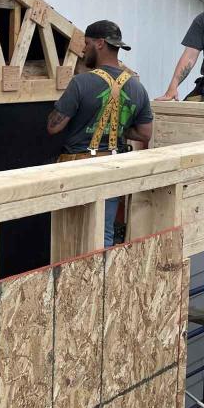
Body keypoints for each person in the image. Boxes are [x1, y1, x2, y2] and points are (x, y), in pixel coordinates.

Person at [47, 20, 153, 247]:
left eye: (86, 44)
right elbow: (145, 134)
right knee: (102, 234)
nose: (84, 50)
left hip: (77, 169)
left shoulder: (81, 82)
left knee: (70, 236)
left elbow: (54, 127)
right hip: (113, 167)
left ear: (100, 43)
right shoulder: (137, 87)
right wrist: (118, 126)